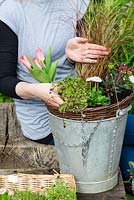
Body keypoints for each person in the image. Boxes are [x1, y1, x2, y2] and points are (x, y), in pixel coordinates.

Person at [0, 0, 109, 145]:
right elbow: (3, 79)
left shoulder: (75, 3)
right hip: (45, 122)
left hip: (81, 106)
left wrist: (70, 59)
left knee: (124, 152)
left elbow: (84, 60)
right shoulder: (12, 10)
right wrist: (38, 91)